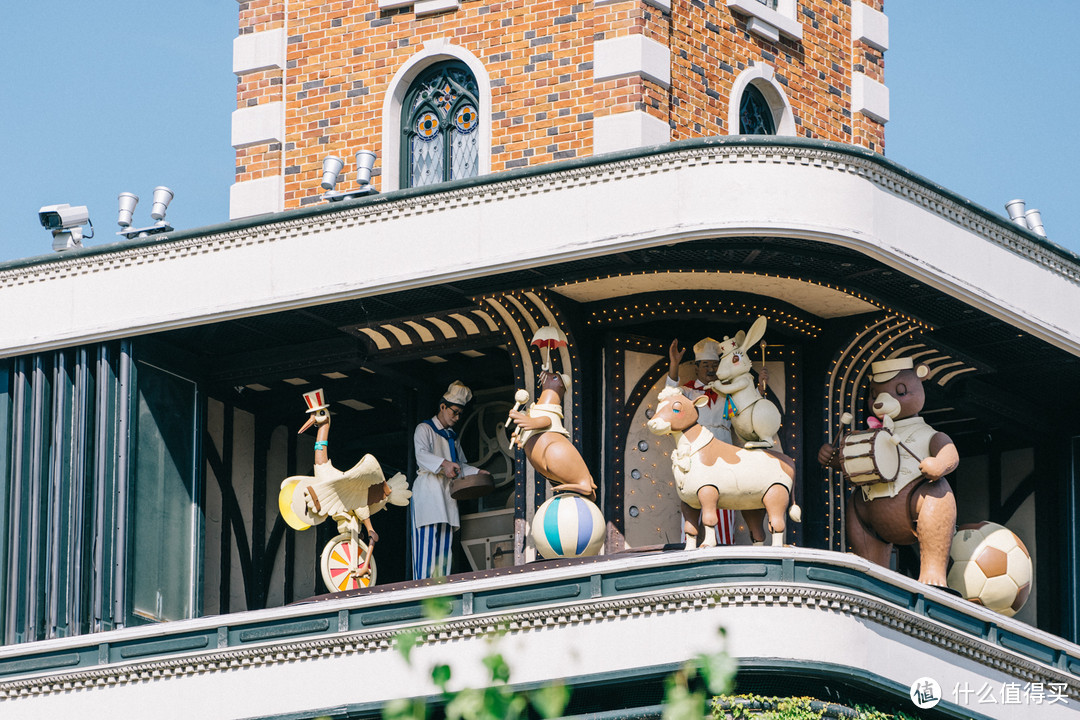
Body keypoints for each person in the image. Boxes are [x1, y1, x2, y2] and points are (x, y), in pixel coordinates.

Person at [411, 381, 489, 579]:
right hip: (429, 492)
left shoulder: (452, 438)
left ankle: (440, 590)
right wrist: (445, 464)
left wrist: (477, 472)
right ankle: (423, 590)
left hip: (447, 495)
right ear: (442, 407)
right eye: (454, 412)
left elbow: (460, 465)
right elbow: (421, 456)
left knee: (445, 550)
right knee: (427, 546)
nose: (456, 417)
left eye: (459, 414)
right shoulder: (424, 429)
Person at [666, 337, 737, 544]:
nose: (710, 369)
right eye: (705, 365)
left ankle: (724, 546)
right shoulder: (687, 391)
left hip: (724, 452)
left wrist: (760, 388)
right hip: (695, 454)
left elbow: (747, 413)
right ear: (697, 368)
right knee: (692, 498)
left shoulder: (728, 392)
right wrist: (674, 365)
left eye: (714, 365)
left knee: (725, 499)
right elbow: (670, 395)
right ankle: (688, 545)